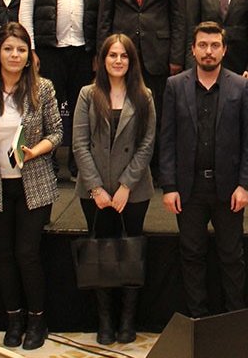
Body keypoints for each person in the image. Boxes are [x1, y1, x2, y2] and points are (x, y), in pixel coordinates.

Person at [0, 23, 62, 350]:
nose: (14, 55)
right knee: (3, 255)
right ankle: (13, 320)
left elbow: (57, 132)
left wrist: (36, 151)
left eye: (20, 49)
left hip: (34, 183)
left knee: (27, 254)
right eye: (8, 49)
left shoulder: (42, 88)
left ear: (28, 55)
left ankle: (37, 320)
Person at [160, 22, 248, 318]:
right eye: (202, 45)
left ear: (224, 50)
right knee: (191, 255)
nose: (208, 51)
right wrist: (169, 187)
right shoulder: (175, 85)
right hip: (188, 189)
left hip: (229, 189)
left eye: (215, 45)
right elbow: (167, 139)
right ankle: (198, 320)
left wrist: (245, 185)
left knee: (232, 256)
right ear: (192, 49)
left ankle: (234, 319)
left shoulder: (240, 86)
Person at [72, 33, 155, 345]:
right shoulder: (87, 94)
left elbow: (147, 145)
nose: (118, 61)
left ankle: (127, 322)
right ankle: (105, 323)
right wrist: (96, 188)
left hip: (133, 192)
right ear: (102, 60)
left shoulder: (144, 95)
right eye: (112, 55)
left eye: (124, 56)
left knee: (130, 255)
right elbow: (79, 144)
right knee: (101, 255)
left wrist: (126, 186)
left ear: (131, 61)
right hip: (94, 192)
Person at [19, 0, 100, 152]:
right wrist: (31, 49)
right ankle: (47, 161)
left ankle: (79, 162)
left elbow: (101, 10)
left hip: (83, 50)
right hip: (49, 50)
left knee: (82, 111)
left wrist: (98, 50)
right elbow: (26, 8)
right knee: (46, 110)